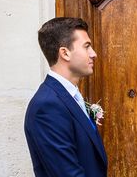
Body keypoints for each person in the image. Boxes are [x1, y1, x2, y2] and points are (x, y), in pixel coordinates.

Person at [24, 17, 108, 177]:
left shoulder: (68, 96)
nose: (94, 54)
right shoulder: (47, 106)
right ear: (65, 53)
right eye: (87, 47)